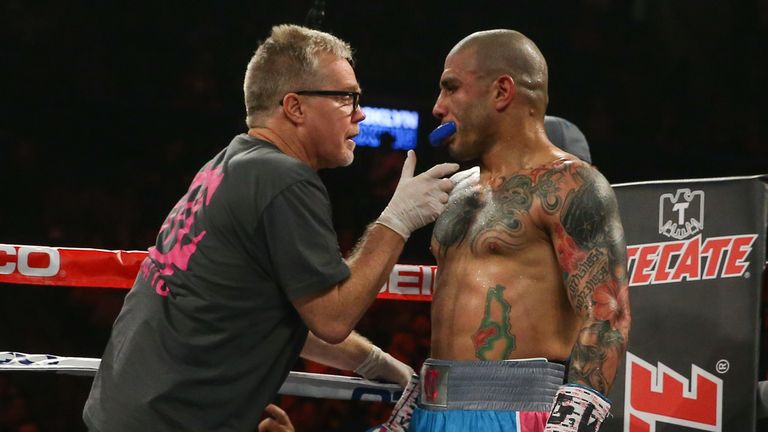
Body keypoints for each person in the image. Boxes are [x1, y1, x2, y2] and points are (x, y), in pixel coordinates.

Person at [83, 24, 458, 432]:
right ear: (295, 107)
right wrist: (397, 219)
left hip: (126, 411)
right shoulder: (284, 179)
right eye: (346, 97)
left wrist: (376, 363)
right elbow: (332, 319)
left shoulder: (229, 163)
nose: (360, 112)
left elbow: (272, 311)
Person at [379, 29, 631, 432]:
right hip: (431, 411)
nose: (437, 107)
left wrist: (568, 426)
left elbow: (606, 314)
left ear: (501, 92)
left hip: (516, 414)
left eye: (451, 88)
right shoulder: (457, 192)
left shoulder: (571, 184)